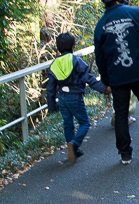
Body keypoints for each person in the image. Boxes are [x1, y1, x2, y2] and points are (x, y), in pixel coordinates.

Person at [94, 0, 139, 165]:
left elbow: (99, 57)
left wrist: (106, 81)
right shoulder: (137, 12)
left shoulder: (101, 24)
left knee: (121, 113)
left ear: (104, 2)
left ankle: (125, 153)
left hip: (117, 76)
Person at [46, 32, 107, 163]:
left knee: (68, 124)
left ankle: (72, 149)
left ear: (58, 48)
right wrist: (104, 89)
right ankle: (75, 144)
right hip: (75, 96)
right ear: (73, 46)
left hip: (62, 98)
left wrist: (51, 106)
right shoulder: (77, 61)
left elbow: (50, 88)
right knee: (84, 123)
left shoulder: (54, 65)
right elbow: (89, 78)